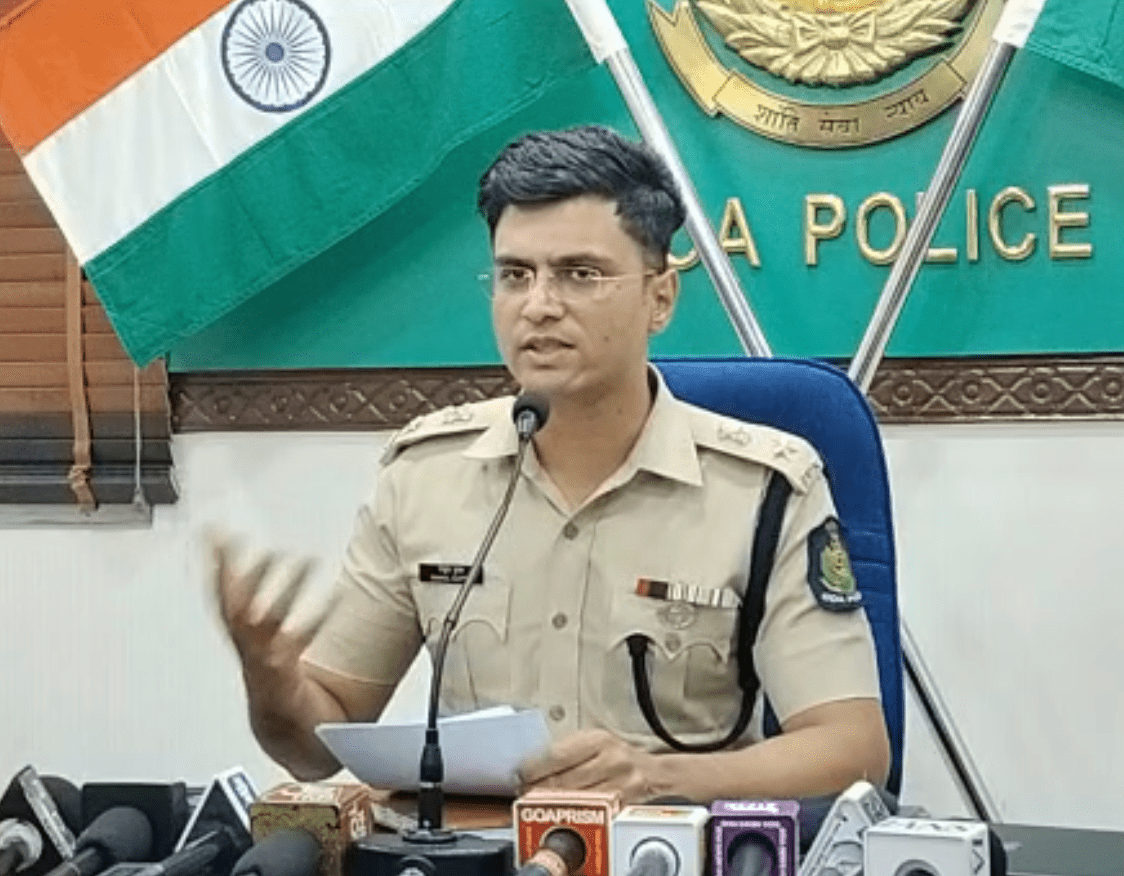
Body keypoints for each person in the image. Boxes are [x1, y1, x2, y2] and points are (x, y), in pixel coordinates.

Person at [213, 125, 890, 803]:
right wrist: (272, 683)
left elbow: (854, 750)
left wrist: (657, 777)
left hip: (665, 856)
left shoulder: (763, 487)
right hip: (477, 858)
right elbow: (315, 747)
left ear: (660, 297)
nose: (538, 306)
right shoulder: (424, 475)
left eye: (580, 274)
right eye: (515, 275)